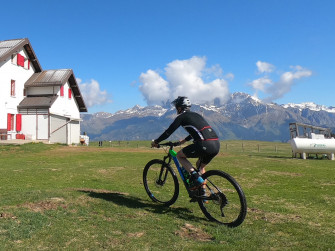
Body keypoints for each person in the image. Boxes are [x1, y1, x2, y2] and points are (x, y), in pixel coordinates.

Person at [151, 96, 220, 193]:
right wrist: (184, 141)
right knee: (200, 166)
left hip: (204, 144)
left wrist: (156, 142)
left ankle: (197, 179)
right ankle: (203, 193)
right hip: (216, 144)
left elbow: (168, 132)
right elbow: (198, 131)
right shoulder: (197, 115)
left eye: (176, 108)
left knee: (179, 155)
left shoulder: (181, 117)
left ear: (179, 108)